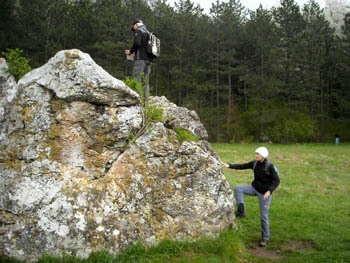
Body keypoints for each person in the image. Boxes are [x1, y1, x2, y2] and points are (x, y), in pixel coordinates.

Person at [222, 147, 280, 247]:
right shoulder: (254, 163)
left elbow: (277, 181)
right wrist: (229, 165)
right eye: (256, 153)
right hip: (254, 188)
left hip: (265, 194)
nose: (256, 155)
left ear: (263, 156)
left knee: (264, 217)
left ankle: (265, 238)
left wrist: (269, 191)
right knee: (238, 188)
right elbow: (242, 166)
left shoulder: (269, 166)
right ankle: (241, 211)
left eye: (258, 154)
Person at [125, 19, 153, 100]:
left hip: (141, 59)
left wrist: (131, 51)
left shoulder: (138, 30)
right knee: (146, 80)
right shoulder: (148, 32)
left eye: (133, 28)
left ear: (136, 25)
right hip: (149, 59)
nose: (133, 30)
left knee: (136, 77)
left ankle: (138, 98)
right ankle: (145, 99)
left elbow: (137, 43)